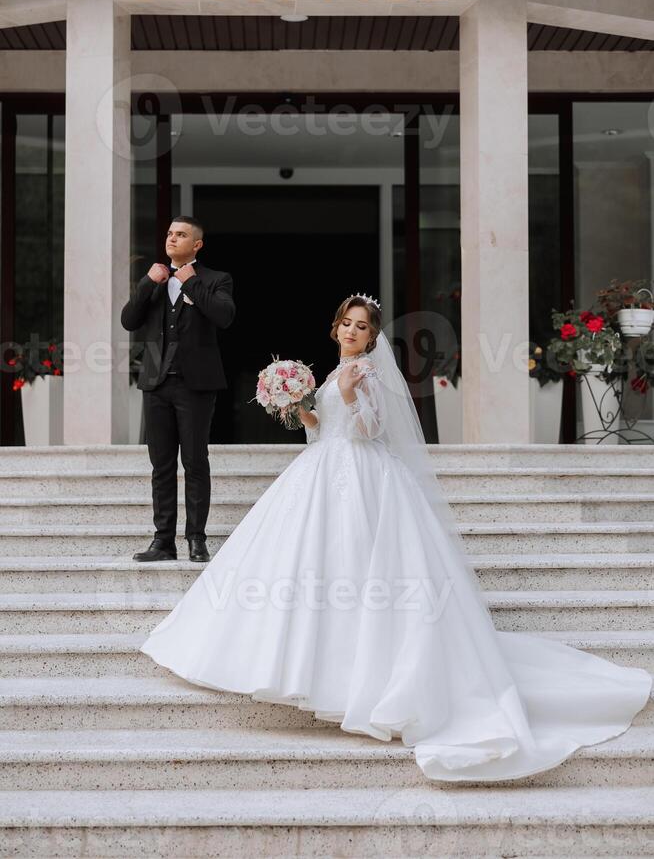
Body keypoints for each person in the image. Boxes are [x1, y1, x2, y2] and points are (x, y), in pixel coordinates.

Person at [139, 294, 651, 781]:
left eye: (362, 327)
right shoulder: (337, 371)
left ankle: (361, 680)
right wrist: (301, 407)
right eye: (347, 323)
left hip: (363, 477)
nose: (353, 332)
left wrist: (348, 396)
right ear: (335, 327)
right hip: (320, 468)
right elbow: (324, 430)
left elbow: (371, 430)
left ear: (371, 337)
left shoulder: (367, 374)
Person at [121, 216, 235, 564]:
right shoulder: (155, 278)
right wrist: (145, 283)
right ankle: (163, 541)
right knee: (161, 465)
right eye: (170, 233)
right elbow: (129, 320)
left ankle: (196, 539)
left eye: (181, 234)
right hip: (156, 384)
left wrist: (193, 284)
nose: (172, 238)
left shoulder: (216, 279)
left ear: (196, 244)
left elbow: (224, 316)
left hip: (196, 386)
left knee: (196, 462)